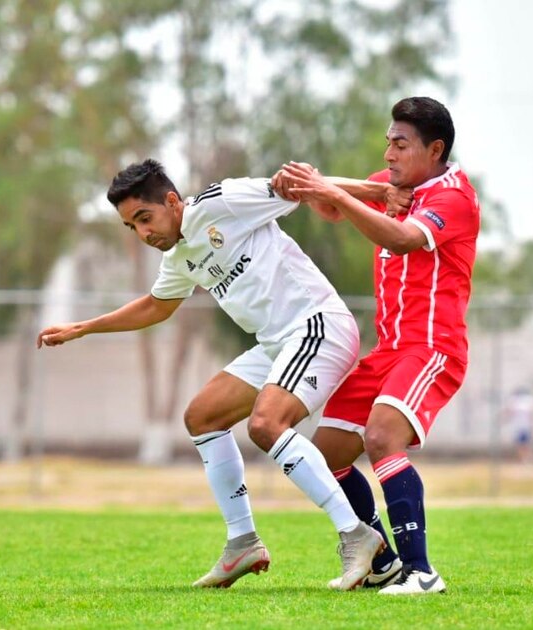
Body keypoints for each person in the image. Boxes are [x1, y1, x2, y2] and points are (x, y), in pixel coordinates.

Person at [37, 159, 386, 590]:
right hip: (278, 342)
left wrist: (381, 194)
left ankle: (357, 535)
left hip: (318, 324)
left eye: (144, 218)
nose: (144, 234)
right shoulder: (179, 254)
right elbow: (157, 306)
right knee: (202, 416)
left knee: (266, 425)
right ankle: (242, 542)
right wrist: (81, 328)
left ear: (171, 201)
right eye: (132, 227)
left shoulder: (222, 201)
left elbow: (307, 185)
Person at [276, 96, 480, 595]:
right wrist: (310, 185)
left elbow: (403, 238)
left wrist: (335, 192)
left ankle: (422, 572)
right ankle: (383, 561)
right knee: (328, 451)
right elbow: (328, 206)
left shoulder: (453, 197)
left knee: (383, 437)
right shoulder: (395, 185)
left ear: (435, 150)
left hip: (432, 348)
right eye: (388, 142)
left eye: (401, 144)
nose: (389, 153)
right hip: (389, 350)